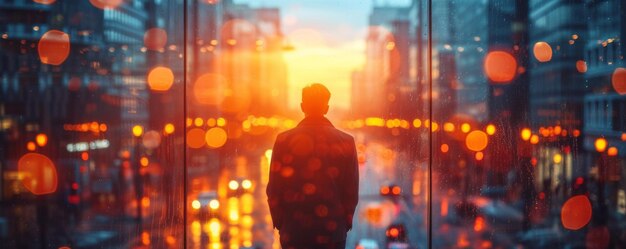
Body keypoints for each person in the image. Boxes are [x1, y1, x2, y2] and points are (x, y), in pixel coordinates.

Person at [266, 83, 359, 249]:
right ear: (327, 108)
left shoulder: (283, 140)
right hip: (333, 233)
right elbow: (351, 191)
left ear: (302, 107)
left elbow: (274, 189)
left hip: (294, 233)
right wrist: (344, 224)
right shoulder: (346, 141)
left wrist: (281, 223)